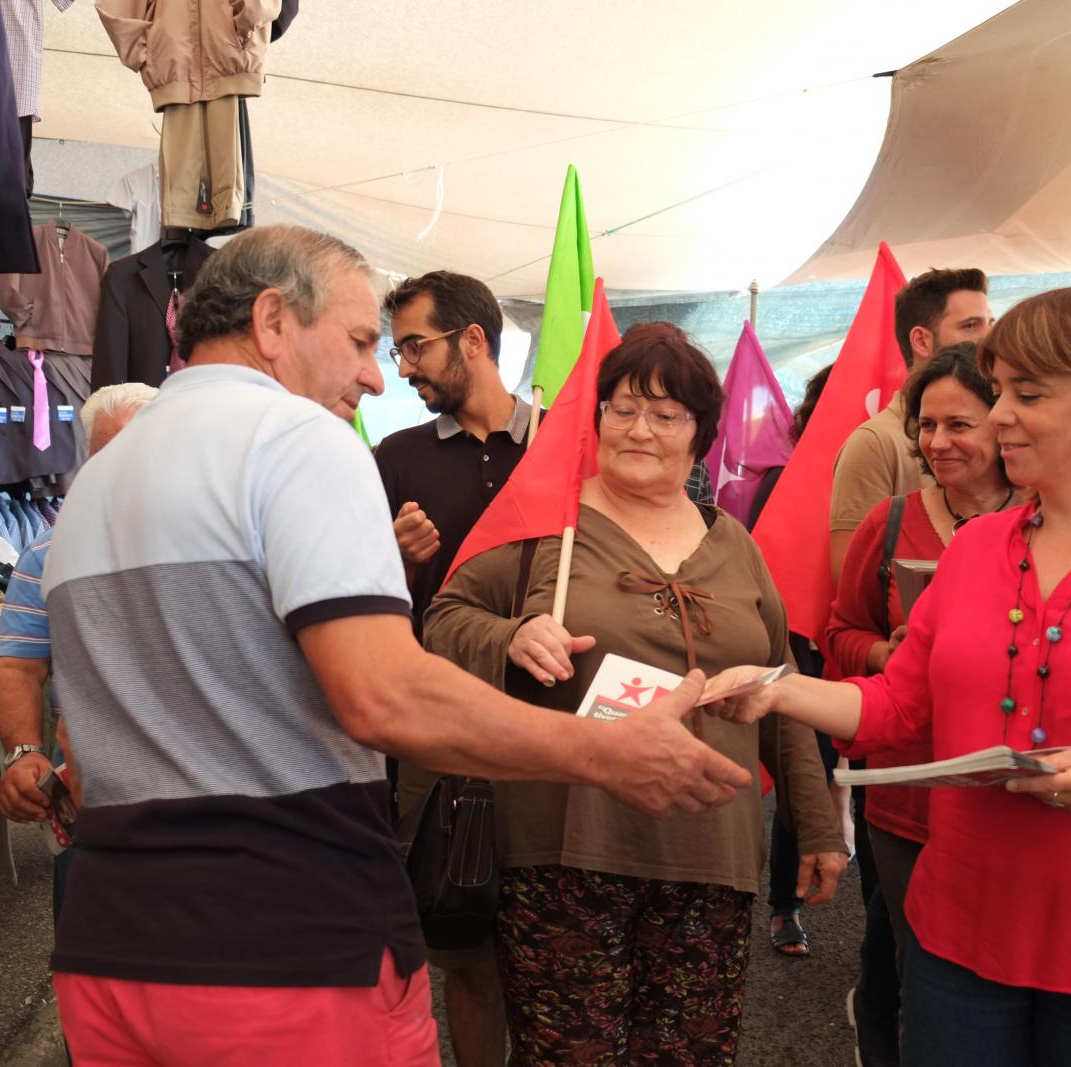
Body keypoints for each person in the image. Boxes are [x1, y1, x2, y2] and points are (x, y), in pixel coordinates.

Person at [41, 226, 749, 1067]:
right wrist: (607, 752)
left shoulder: (96, 481)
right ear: (272, 321)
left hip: (108, 948)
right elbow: (384, 694)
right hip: (288, 949)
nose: (377, 377)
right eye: (358, 342)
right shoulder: (295, 439)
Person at [709, 286, 1071, 1065]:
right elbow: (899, 703)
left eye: (1028, 393)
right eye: (999, 392)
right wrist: (779, 688)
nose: (998, 418)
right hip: (963, 932)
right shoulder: (980, 547)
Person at [424, 321, 848, 1066]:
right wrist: (512, 635)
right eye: (622, 408)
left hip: (710, 852)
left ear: (701, 434)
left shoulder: (735, 544)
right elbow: (445, 619)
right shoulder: (547, 526)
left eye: (665, 414)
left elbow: (779, 683)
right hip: (564, 847)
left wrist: (815, 824)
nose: (639, 429)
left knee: (692, 1052)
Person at [826, 267, 992, 1067]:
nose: (937, 442)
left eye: (960, 424)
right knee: (914, 961)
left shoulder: (1042, 525)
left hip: (1004, 789)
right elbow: (838, 632)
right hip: (904, 791)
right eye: (926, 425)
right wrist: (887, 653)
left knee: (986, 975)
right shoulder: (889, 524)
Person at [373, 270, 525, 1067]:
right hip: (441, 737)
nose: (402, 367)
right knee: (466, 942)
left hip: (554, 729)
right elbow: (360, 611)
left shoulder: (564, 445)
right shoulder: (394, 458)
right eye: (396, 350)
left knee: (565, 942)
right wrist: (395, 563)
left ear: (473, 339)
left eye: (415, 346)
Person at [0, 382, 160, 922]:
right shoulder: (48, 555)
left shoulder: (219, 543)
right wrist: (24, 753)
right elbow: (20, 666)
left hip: (196, 767)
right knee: (91, 930)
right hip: (88, 771)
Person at [749, 363, 842, 959]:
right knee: (804, 772)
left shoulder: (894, 473)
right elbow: (763, 564)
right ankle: (785, 903)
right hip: (805, 655)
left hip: (861, 652)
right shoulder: (782, 481)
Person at [829, 267, 993, 579]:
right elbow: (853, 582)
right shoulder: (875, 442)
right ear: (921, 340)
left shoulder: (1005, 427)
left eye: (991, 323)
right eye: (971, 325)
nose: (989, 338)